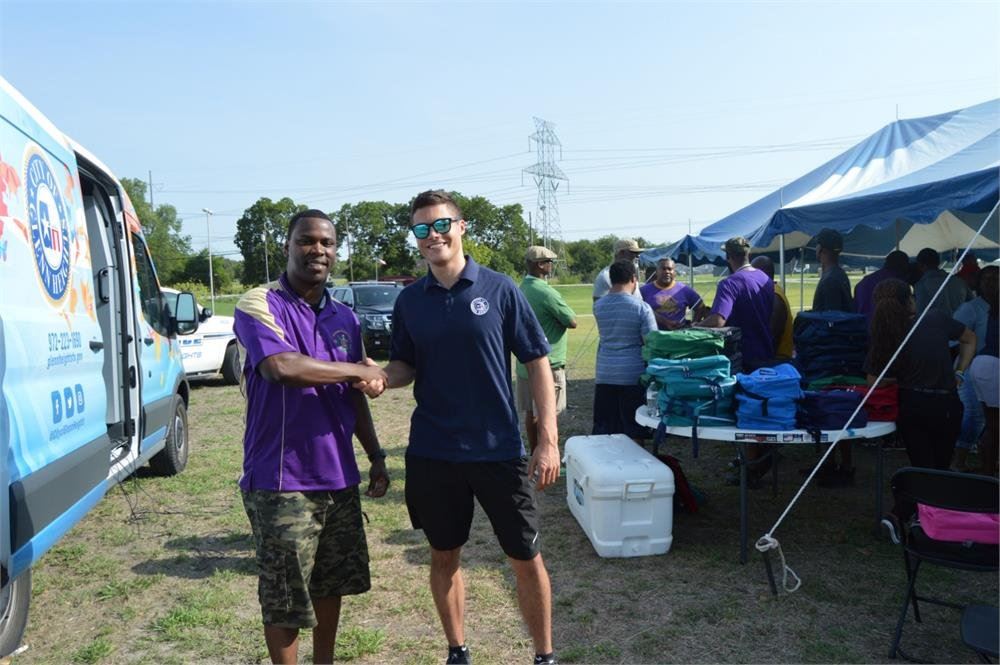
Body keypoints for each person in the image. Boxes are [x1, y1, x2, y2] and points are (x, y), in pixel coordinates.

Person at [377, 190, 559, 665]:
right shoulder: (410, 301)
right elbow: (404, 365)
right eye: (421, 229)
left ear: (461, 227)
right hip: (434, 451)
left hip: (498, 449)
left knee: (525, 558)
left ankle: (544, 656)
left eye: (441, 224)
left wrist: (547, 441)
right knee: (444, 555)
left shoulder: (500, 289)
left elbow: (537, 361)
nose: (432, 235)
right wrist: (379, 377)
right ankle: (457, 651)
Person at [233, 209, 391, 665]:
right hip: (282, 479)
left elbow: (354, 396)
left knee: (329, 586)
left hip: (339, 477)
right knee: (284, 598)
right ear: (287, 246)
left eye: (327, 242)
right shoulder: (259, 302)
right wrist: (356, 369)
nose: (317, 250)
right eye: (306, 240)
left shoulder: (345, 317)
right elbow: (280, 367)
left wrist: (375, 455)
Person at [865, 279, 975, 518]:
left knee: (922, 466)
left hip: (912, 405)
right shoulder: (935, 318)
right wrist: (959, 371)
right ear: (909, 301)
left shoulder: (885, 335)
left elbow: (874, 380)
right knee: (939, 467)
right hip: (946, 404)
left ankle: (910, 514)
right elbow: (969, 339)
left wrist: (900, 379)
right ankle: (923, 515)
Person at [516, 245, 578, 452]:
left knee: (530, 414)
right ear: (540, 265)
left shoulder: (521, 288)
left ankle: (534, 452)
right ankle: (548, 454)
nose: (552, 265)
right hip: (548, 364)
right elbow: (571, 320)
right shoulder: (545, 291)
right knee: (548, 414)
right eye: (550, 262)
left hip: (525, 363)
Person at [592, 260, 657, 441]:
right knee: (635, 427)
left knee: (606, 428)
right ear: (634, 279)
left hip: (605, 372)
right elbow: (652, 342)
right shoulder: (641, 307)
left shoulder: (598, 306)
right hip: (632, 374)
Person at [698, 237, 774, 371]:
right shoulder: (766, 279)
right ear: (748, 254)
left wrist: (696, 326)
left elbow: (717, 321)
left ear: (728, 257)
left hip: (741, 358)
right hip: (767, 352)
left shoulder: (729, 283)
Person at [952, 266, 997, 471]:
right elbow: (953, 339)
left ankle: (988, 461)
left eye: (996, 278)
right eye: (987, 279)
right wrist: (961, 370)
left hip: (991, 368)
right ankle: (959, 461)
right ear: (979, 283)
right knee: (975, 415)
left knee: (991, 421)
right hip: (971, 367)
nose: (991, 283)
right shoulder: (970, 308)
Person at [967, 265, 999, 475]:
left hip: (984, 363)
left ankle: (988, 471)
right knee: (995, 426)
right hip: (994, 364)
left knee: (992, 424)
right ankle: (988, 473)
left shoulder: (992, 305)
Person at [639, 257, 706, 330]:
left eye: (670, 269)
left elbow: (700, 307)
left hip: (678, 333)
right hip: (654, 334)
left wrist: (694, 323)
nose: (667, 272)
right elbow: (638, 311)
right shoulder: (643, 291)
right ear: (656, 272)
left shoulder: (684, 289)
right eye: (663, 269)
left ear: (674, 272)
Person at [750, 256, 792, 361]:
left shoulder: (775, 297)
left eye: (752, 273)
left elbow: (771, 338)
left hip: (778, 360)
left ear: (761, 274)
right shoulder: (770, 292)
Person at [854, 250, 910, 323]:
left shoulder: (865, 281)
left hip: (862, 325)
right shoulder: (898, 284)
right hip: (887, 325)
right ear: (903, 266)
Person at [913, 247, 971, 315]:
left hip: (936, 321)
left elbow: (921, 313)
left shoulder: (921, 286)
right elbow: (972, 303)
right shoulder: (959, 281)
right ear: (938, 262)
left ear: (921, 265)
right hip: (960, 321)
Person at [811, 228, 854, 312]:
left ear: (821, 249)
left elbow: (831, 317)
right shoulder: (840, 274)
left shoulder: (830, 280)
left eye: (817, 245)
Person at [593, 238, 645, 302]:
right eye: (633, 253)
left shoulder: (631, 273)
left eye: (638, 253)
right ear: (621, 253)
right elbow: (599, 305)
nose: (637, 256)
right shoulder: (605, 276)